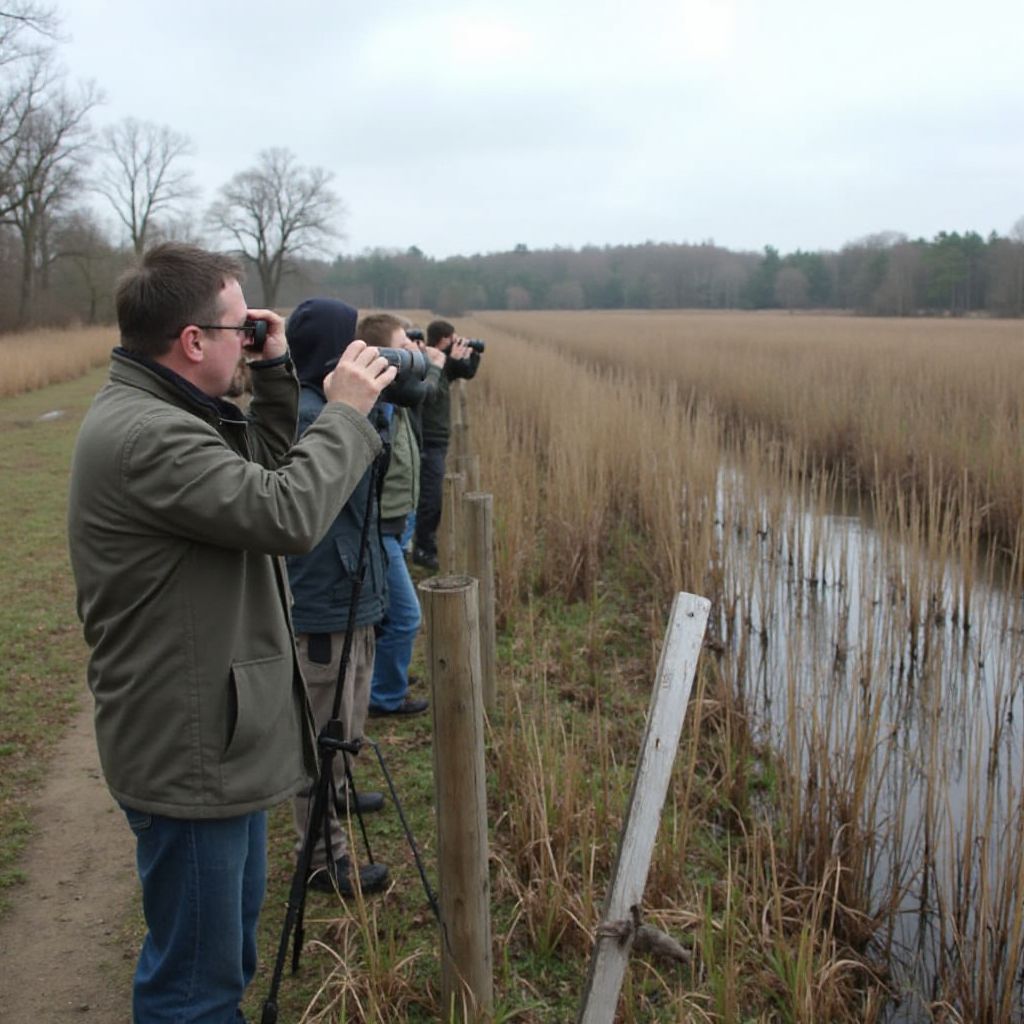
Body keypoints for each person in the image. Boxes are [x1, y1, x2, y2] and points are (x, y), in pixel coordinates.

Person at [66, 243, 396, 1024]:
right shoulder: (152, 436)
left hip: (218, 733)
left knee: (222, 959)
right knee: (195, 988)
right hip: (190, 748)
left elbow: (263, 478)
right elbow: (286, 514)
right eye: (236, 325)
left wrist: (278, 374)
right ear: (191, 341)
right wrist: (344, 411)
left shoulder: (173, 416)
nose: (246, 336)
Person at [284, 298, 392, 894]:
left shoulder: (331, 411)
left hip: (351, 590)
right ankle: (324, 857)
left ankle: (343, 798)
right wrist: (359, 412)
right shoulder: (310, 418)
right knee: (319, 738)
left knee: (345, 721)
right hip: (324, 599)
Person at [356, 313, 443, 717]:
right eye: (403, 344)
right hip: (379, 526)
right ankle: (383, 697)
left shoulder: (401, 396)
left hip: (399, 518)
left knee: (385, 612)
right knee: (406, 616)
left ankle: (380, 682)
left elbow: (427, 394)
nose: (413, 348)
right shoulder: (373, 400)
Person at [412, 319, 481, 569]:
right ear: (443, 339)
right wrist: (442, 360)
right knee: (430, 497)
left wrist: (472, 353)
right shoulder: (426, 365)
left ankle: (418, 543)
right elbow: (431, 394)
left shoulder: (442, 364)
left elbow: (468, 372)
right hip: (428, 439)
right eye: (453, 339)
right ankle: (423, 548)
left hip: (437, 440)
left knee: (428, 493)